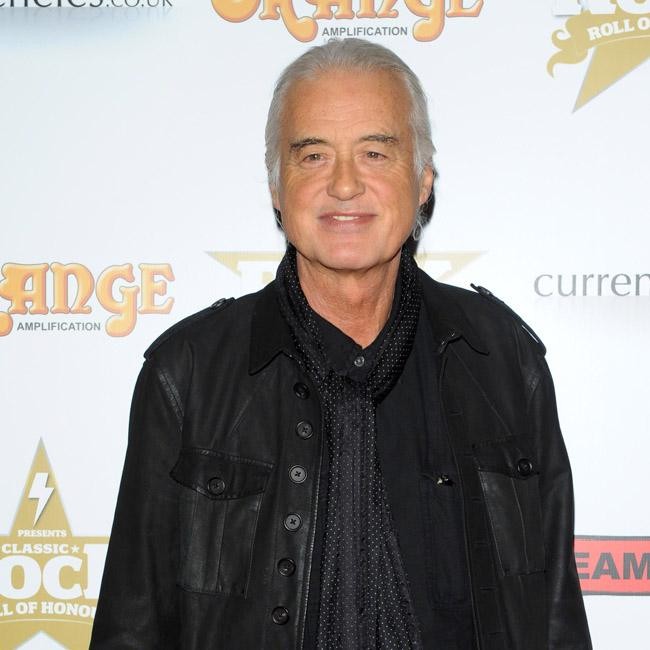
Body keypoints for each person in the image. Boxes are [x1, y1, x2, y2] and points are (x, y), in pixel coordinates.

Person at [90, 38, 592, 649]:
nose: (345, 185)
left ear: (423, 180)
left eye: (375, 153)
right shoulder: (189, 373)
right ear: (277, 188)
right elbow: (131, 627)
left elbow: (557, 619)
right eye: (313, 156)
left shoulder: (503, 359)